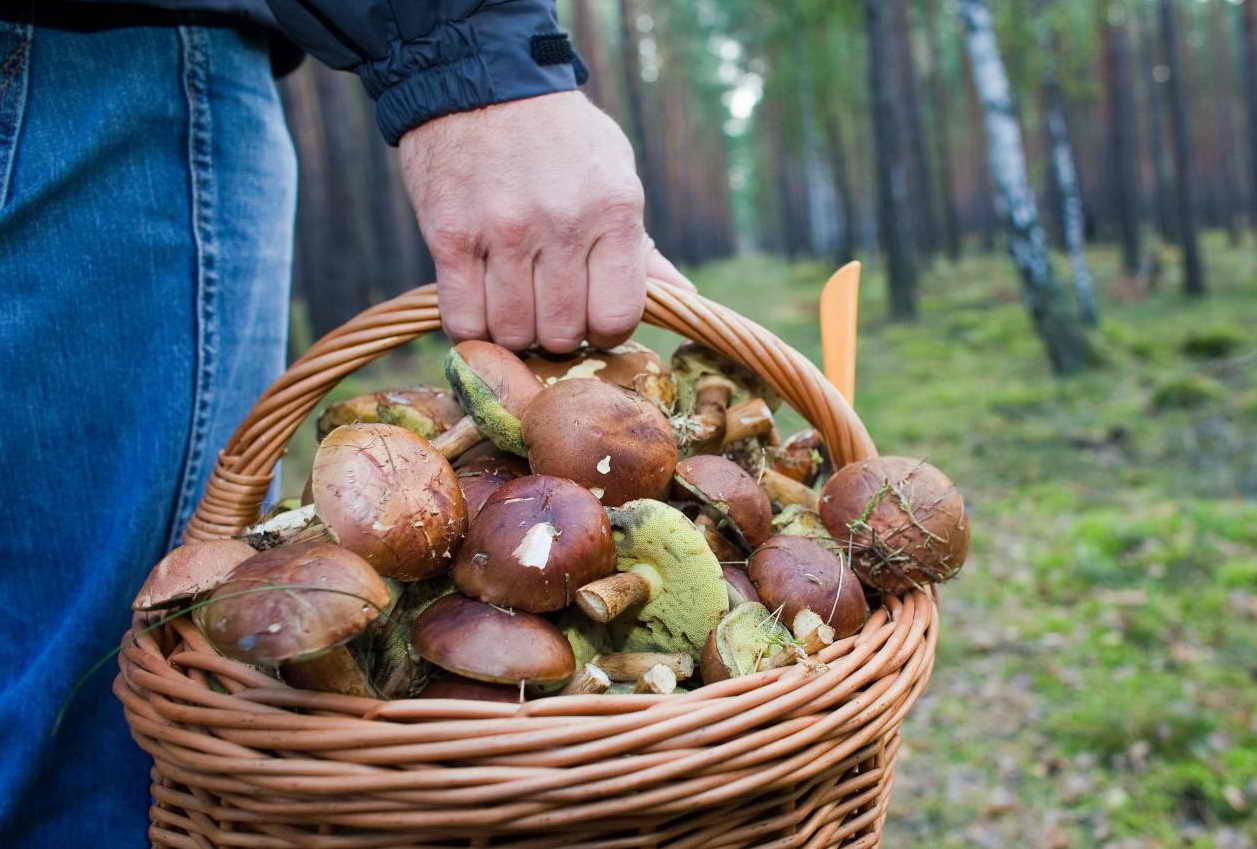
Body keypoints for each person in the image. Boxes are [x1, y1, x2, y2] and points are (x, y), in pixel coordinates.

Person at [0, 1, 690, 845]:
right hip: (102, 60)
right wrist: (475, 59)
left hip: (71, 68)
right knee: (89, 740)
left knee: (64, 699)